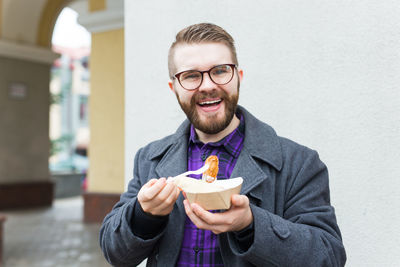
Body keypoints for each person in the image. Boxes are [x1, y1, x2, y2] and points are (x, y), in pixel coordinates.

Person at [99, 23, 346, 266]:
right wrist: (144, 215)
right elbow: (115, 253)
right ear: (174, 88)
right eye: (191, 75)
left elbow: (329, 256)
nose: (207, 85)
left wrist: (250, 224)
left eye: (219, 71)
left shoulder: (299, 163)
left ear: (238, 77)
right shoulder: (150, 159)